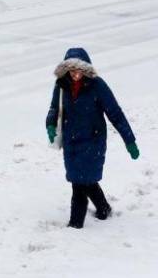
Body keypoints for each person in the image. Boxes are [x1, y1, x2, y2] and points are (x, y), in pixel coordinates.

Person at [45, 47, 139, 228]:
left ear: (85, 69)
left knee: (79, 184)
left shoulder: (97, 86)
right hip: (71, 143)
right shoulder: (61, 85)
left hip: (92, 141)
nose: (75, 74)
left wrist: (130, 141)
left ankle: (75, 225)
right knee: (84, 180)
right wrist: (50, 124)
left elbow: (115, 113)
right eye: (71, 70)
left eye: (78, 70)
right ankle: (103, 208)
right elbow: (54, 108)